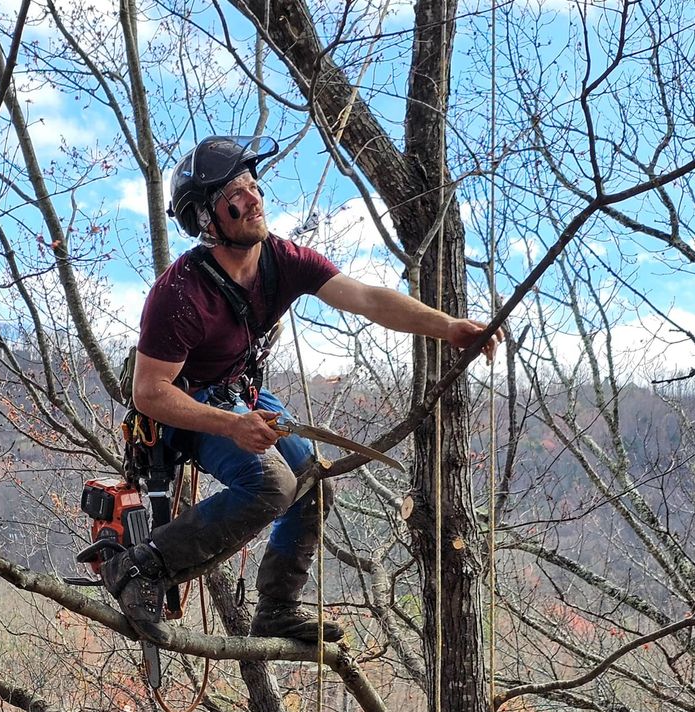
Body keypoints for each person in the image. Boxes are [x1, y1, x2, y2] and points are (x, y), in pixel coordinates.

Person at [102, 135, 497, 643]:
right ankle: (141, 567)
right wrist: (231, 425)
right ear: (206, 218)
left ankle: (277, 607)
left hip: (239, 395)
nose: (252, 199)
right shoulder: (180, 295)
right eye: (234, 196)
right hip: (188, 411)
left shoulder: (282, 260)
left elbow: (368, 299)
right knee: (273, 485)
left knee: (312, 482)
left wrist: (448, 327)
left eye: (252, 185)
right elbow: (150, 393)